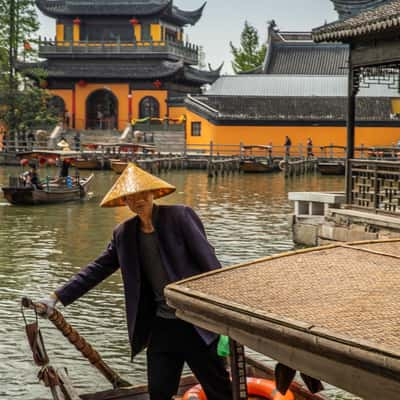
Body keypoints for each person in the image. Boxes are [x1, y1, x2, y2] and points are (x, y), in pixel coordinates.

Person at [38, 164, 232, 400]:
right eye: (131, 196)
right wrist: (56, 297)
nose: (138, 200)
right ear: (125, 202)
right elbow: (97, 268)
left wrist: (223, 317)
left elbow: (210, 265)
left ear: (153, 193)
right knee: (159, 392)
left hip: (195, 322)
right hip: (161, 326)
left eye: (142, 193)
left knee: (219, 390)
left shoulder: (180, 216)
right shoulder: (124, 233)